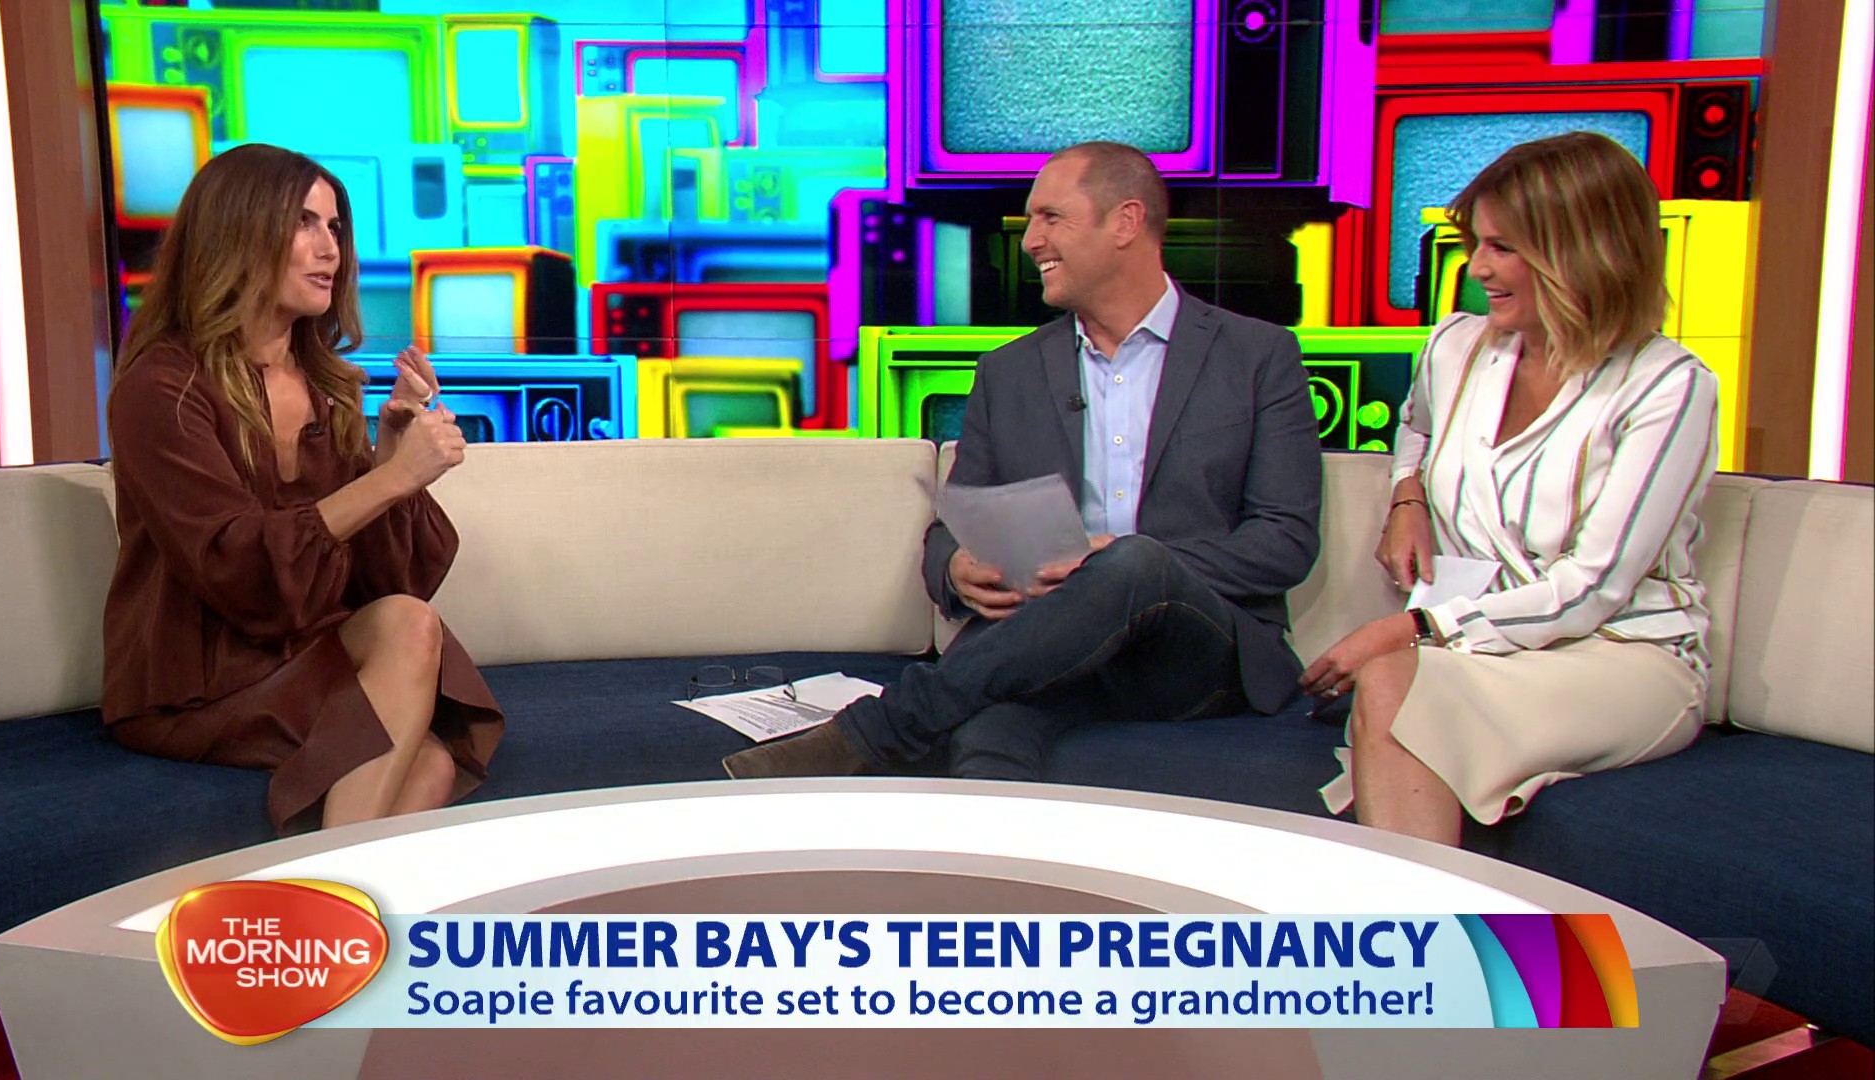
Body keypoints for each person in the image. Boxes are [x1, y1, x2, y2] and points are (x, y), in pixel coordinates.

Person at [724, 141, 1322, 781]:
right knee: (991, 728)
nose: (1031, 241)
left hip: (1194, 648)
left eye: (1051, 218)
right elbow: (950, 528)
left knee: (1135, 562)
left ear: (1126, 222)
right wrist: (957, 568)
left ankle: (875, 732)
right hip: (1051, 642)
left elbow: (1284, 542)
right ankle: (978, 841)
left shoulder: (1257, 356)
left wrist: (1111, 560)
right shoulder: (1008, 372)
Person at [1303, 131, 1718, 846]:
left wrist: (1412, 627)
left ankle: (1410, 912)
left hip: (1621, 653)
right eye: (1477, 243)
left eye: (1502, 248)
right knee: (1398, 688)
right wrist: (1407, 497)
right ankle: (1422, 910)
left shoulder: (1668, 388)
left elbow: (1594, 588)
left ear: (1581, 254)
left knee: (1396, 681)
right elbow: (1415, 426)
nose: (1477, 267)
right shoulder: (1455, 346)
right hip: (1488, 647)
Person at [101, 143, 505, 834]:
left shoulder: (325, 386)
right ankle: (338, 894)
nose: (330, 250)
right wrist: (394, 477)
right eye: (304, 224)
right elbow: (235, 568)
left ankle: (328, 893)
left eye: (335, 228)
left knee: (434, 744)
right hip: (200, 680)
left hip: (299, 651)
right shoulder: (161, 388)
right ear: (237, 232)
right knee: (417, 717)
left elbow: (392, 584)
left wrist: (388, 456)